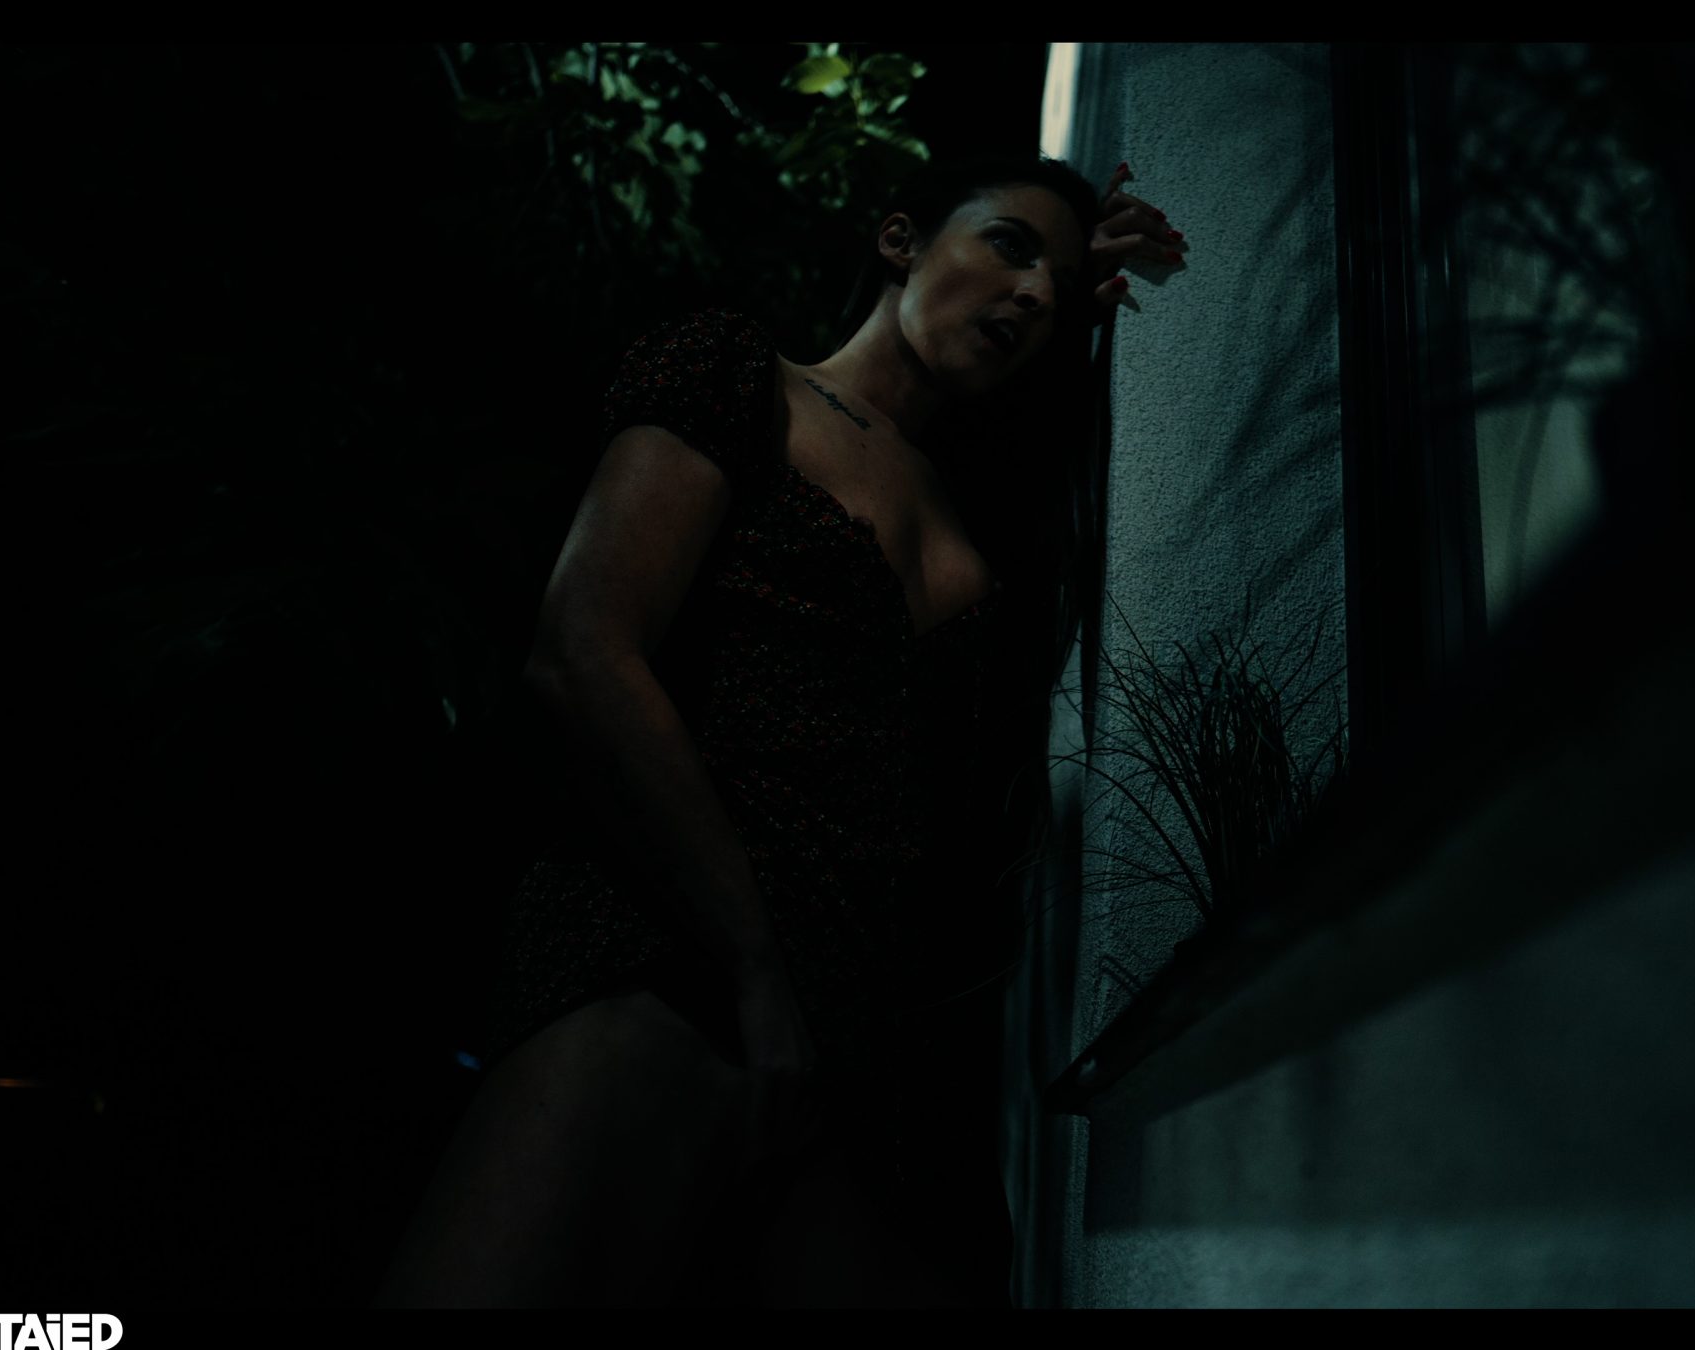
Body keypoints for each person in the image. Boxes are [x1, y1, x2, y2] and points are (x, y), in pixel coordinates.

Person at [375, 152, 1187, 1307]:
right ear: (902, 241)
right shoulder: (742, 381)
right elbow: (585, 651)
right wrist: (753, 969)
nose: (1030, 294)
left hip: (866, 1046)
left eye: (1055, 288)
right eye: (1008, 246)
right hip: (664, 950)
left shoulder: (987, 520)